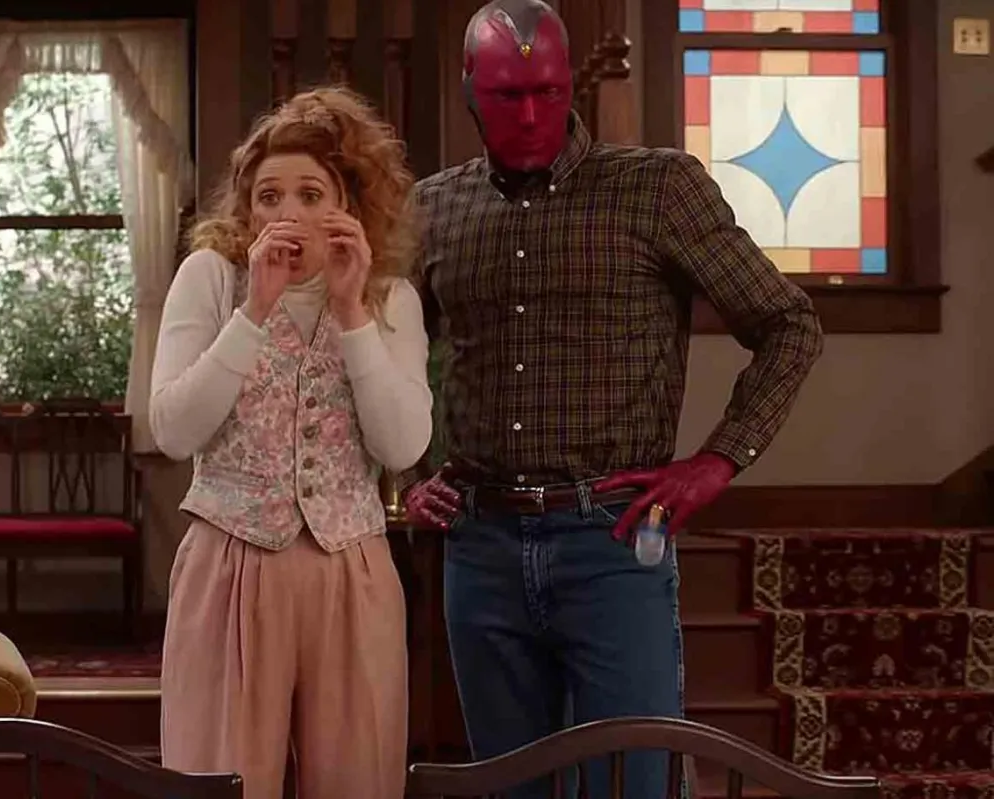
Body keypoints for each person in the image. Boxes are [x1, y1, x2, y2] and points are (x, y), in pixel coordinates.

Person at [401, 1, 824, 797]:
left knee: (633, 782)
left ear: (571, 84)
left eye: (549, 92)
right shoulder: (432, 208)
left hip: (613, 537)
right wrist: (411, 473)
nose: (533, 115)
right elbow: (384, 357)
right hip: (480, 543)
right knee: (508, 785)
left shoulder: (657, 188)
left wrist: (717, 460)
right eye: (508, 95)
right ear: (469, 90)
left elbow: (789, 324)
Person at [151, 86, 432, 799]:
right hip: (229, 562)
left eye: (311, 194)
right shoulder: (211, 278)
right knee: (223, 780)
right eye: (268, 196)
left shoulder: (388, 298)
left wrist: (351, 310)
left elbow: (403, 446)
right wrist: (254, 309)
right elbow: (174, 428)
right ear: (247, 211)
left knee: (358, 782)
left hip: (352, 569)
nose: (288, 213)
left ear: (349, 206)